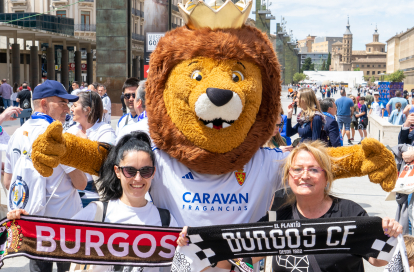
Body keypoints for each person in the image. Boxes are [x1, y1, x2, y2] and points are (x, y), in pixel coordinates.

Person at [177, 141, 403, 271]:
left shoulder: (350, 212)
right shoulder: (278, 215)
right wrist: (195, 243)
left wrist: (390, 233)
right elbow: (238, 260)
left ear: (327, 177)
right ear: (288, 176)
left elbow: (379, 260)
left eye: (314, 169)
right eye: (297, 169)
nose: (305, 176)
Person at [7, 132, 178, 272]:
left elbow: (183, 264)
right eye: (130, 171)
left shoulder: (166, 221)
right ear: (117, 171)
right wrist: (25, 224)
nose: (138, 178)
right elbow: (52, 239)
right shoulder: (96, 213)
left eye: (145, 171)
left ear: (154, 172)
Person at [3, 80, 87, 272]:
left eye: (68, 103)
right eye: (62, 103)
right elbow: (81, 183)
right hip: (64, 229)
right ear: (44, 103)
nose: (67, 108)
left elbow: (8, 182)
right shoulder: (57, 137)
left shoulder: (16, 134)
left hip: (32, 227)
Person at [66, 91, 116, 204]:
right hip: (71, 192)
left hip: (95, 194)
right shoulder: (71, 130)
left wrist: (85, 143)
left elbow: (105, 163)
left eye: (74, 106)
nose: (71, 109)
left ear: (87, 110)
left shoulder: (105, 131)